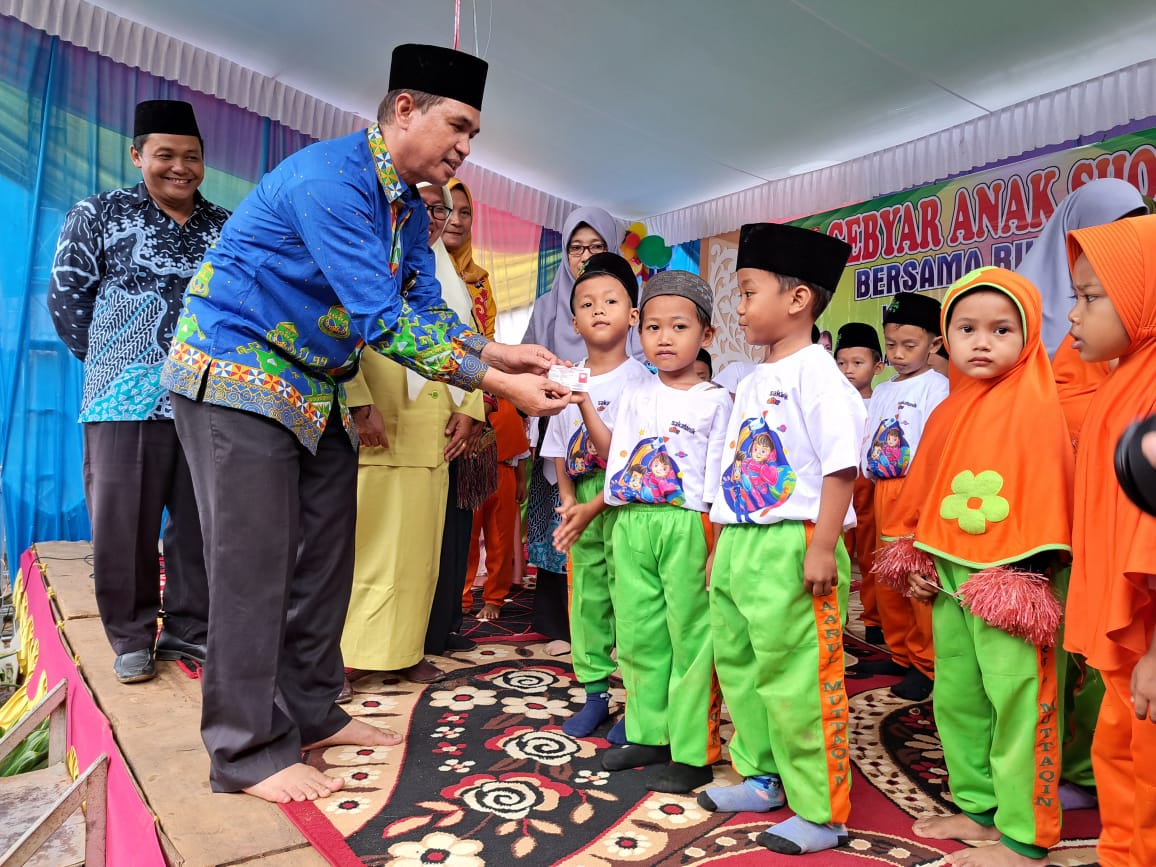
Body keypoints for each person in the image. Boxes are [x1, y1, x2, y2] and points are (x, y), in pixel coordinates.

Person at [162, 43, 569, 804]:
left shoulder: (408, 206)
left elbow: (426, 309)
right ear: (405, 109)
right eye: (459, 125)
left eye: (475, 135)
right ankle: (243, 750)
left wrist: (502, 348)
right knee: (255, 566)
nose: (466, 146)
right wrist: (500, 382)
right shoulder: (331, 180)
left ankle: (311, 712)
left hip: (312, 382)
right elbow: (384, 322)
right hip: (235, 370)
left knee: (325, 552)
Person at [884, 267, 1072, 867]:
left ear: (1028, 333)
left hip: (1014, 581)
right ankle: (980, 808)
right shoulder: (947, 411)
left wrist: (1028, 571)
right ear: (947, 337)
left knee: (1019, 699)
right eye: (966, 328)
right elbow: (925, 493)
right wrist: (914, 554)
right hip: (949, 576)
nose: (981, 342)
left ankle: (1025, 835)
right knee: (958, 695)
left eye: (1000, 328)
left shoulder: (1040, 406)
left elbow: (1052, 492)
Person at [48, 99, 228, 684]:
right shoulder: (96, 214)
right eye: (165, 155)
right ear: (138, 155)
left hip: (208, 399)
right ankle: (130, 636)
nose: (180, 168)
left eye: (192, 157)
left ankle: (189, 628)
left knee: (202, 521)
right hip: (121, 399)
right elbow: (68, 301)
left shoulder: (224, 227)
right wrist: (117, 363)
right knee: (123, 522)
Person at [700, 222, 862, 856]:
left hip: (794, 543)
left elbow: (841, 466)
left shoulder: (819, 375)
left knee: (798, 676)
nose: (738, 307)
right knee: (744, 666)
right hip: (743, 543)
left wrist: (821, 547)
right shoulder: (752, 376)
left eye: (747, 291)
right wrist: (722, 545)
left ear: (797, 300)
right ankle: (764, 776)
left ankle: (823, 810)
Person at [1014, 178, 1146, 812]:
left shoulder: (1137, 373)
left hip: (1125, 568)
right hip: (1054, 521)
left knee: (1115, 693)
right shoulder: (1032, 327)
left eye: (1092, 296)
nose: (1073, 310)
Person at [580, 269, 729, 795]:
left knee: (690, 636)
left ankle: (692, 752)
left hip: (686, 523)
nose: (665, 339)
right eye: (654, 328)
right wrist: (582, 404)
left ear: (706, 336)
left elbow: (716, 479)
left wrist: (715, 543)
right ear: (639, 329)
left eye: (680, 327)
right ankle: (648, 732)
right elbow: (611, 454)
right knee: (640, 633)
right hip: (630, 520)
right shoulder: (637, 393)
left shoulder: (716, 399)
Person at [339, 182, 486, 689]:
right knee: (365, 548)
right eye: (423, 207)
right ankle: (344, 655)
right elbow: (339, 335)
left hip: (432, 432)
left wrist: (472, 407)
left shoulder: (449, 278)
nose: (435, 217)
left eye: (441, 208)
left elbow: (468, 347)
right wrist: (358, 402)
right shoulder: (369, 261)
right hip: (379, 423)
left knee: (422, 552)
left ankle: (404, 649)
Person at [1063, 215, 1156, 867]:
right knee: (1118, 748)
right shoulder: (1126, 379)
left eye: (1092, 297)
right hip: (1132, 641)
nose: (1075, 315)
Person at [541, 253, 650, 739]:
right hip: (580, 501)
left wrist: (591, 506)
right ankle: (594, 694)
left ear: (633, 315)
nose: (598, 309)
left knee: (629, 598)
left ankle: (638, 700)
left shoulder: (644, 382)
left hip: (622, 502)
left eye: (610, 301)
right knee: (586, 597)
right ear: (574, 320)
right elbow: (559, 446)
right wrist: (566, 499)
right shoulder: (568, 378)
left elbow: (634, 463)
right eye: (587, 303)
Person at [521, 207, 630, 654]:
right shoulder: (549, 306)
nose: (584, 257)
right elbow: (527, 360)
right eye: (575, 248)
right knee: (557, 519)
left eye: (595, 247)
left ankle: (616, 630)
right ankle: (557, 620)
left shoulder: (627, 310)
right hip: (556, 418)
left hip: (616, 425)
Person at [853, 292, 948, 701]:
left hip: (914, 490)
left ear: (935, 344)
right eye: (891, 345)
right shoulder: (886, 389)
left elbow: (934, 444)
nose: (898, 354)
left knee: (913, 578)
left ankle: (926, 664)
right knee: (885, 576)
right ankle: (899, 653)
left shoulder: (937, 387)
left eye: (909, 345)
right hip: (880, 490)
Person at [425, 178, 494, 655]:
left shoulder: (477, 281)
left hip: (466, 408)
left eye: (463, 212)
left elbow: (483, 348)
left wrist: (472, 411)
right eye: (443, 209)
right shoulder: (402, 263)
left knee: (456, 523)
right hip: (410, 414)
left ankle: (447, 620)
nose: (453, 219)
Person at [834, 322, 886, 645]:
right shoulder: (831, 402)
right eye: (841, 363)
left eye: (857, 363)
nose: (848, 370)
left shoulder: (882, 400)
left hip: (867, 487)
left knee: (870, 555)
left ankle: (874, 620)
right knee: (837, 554)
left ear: (877, 366)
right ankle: (835, 621)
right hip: (838, 485)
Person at [462, 395, 531, 621]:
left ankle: (494, 599)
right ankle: (461, 598)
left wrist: (520, 481)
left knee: (500, 542)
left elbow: (520, 449)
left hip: (504, 473)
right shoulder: (465, 395)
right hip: (469, 471)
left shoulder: (509, 400)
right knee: (465, 540)